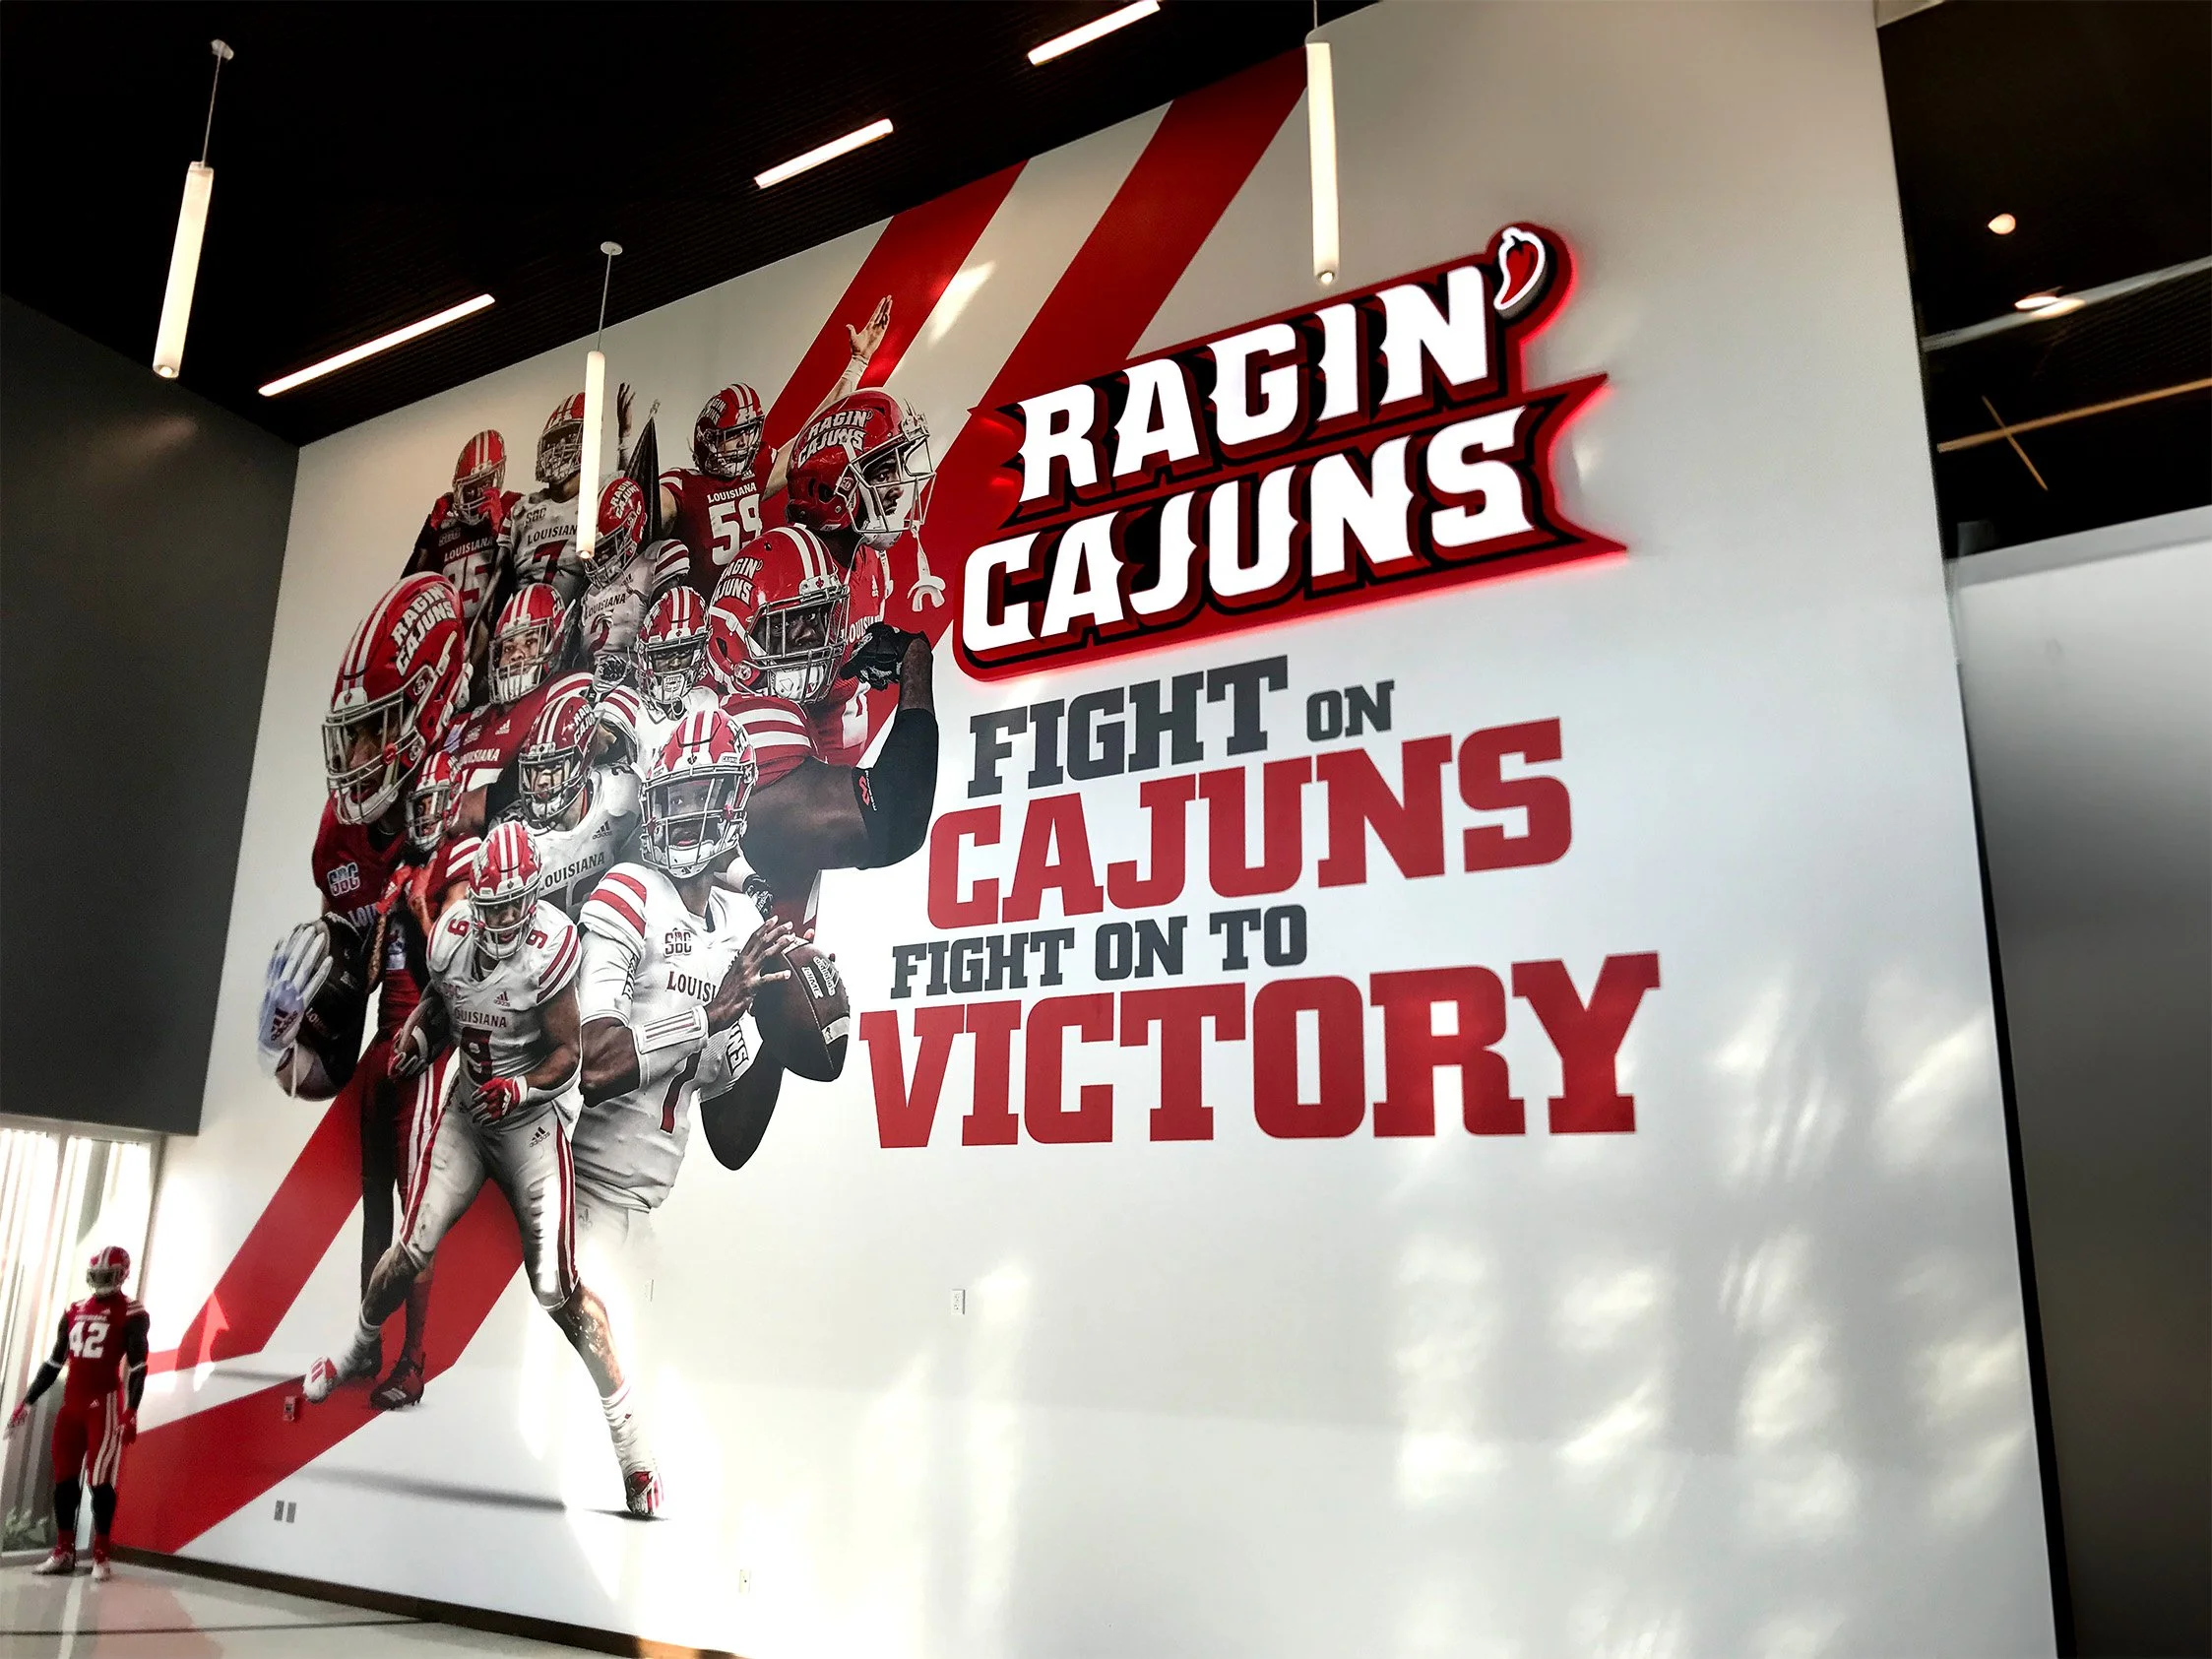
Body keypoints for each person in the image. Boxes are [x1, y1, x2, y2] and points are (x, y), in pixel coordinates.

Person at [302, 821, 661, 1517]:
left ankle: (632, 1451)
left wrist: (521, 1091)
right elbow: (443, 1004)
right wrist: (416, 1036)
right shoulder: (451, 933)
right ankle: (356, 1349)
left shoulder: (552, 947)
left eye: (509, 905)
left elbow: (569, 1054)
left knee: (557, 1289)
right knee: (409, 1247)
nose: (496, 920)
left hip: (528, 1120)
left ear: (532, 898)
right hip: (468, 1111)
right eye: (487, 905)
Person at [6, 1245, 150, 1582]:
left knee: (99, 1481)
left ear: (121, 1275)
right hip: (71, 1404)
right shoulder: (73, 1310)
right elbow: (55, 1361)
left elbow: (138, 1365)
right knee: (64, 1480)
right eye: (97, 1275)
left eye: (107, 1276)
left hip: (103, 1404)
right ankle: (64, 1550)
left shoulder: (132, 1311)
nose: (100, 1281)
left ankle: (101, 1552)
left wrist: (131, 1410)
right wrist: (28, 1400)